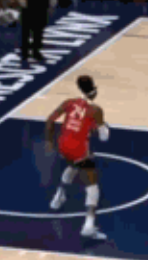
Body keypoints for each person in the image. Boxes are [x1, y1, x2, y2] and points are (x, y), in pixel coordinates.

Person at [45, 75, 110, 240]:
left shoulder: (68, 102)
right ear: (94, 90)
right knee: (92, 187)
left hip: (62, 146)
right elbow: (104, 138)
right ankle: (88, 226)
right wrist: (103, 127)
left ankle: (58, 197)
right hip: (78, 150)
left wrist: (49, 142)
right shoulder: (95, 110)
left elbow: (50, 120)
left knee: (74, 164)